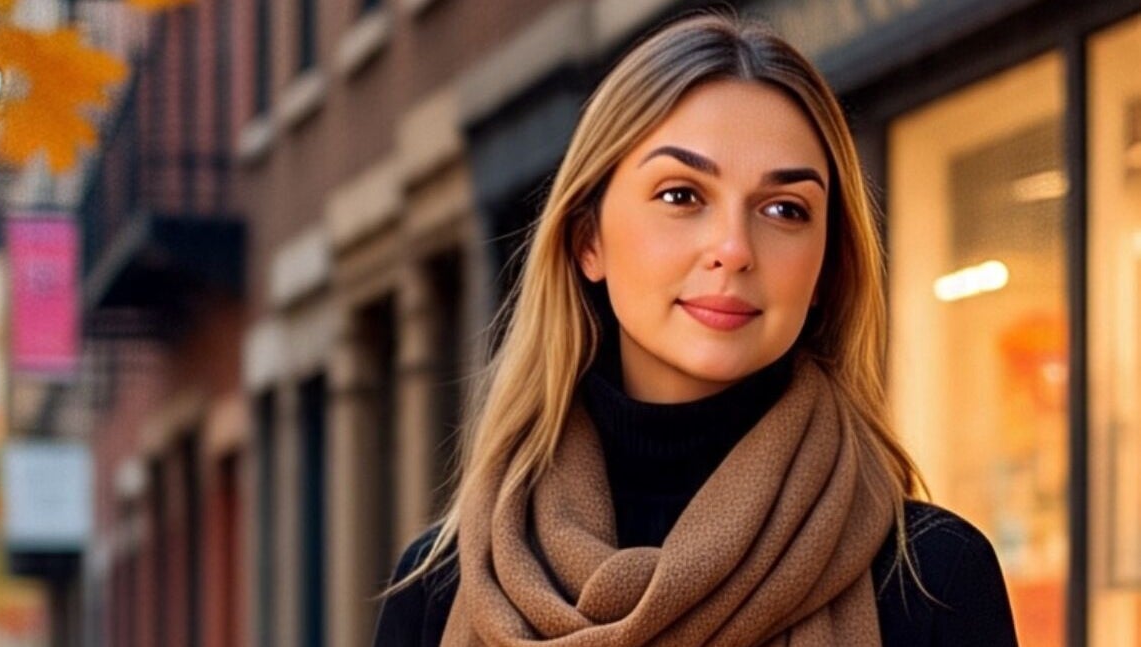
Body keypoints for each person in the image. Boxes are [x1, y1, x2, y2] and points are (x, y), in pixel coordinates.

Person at [374, 11, 1018, 647]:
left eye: (784, 209)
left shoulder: (932, 583)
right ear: (587, 240)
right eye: (681, 195)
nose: (734, 248)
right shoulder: (443, 591)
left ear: (826, 268)